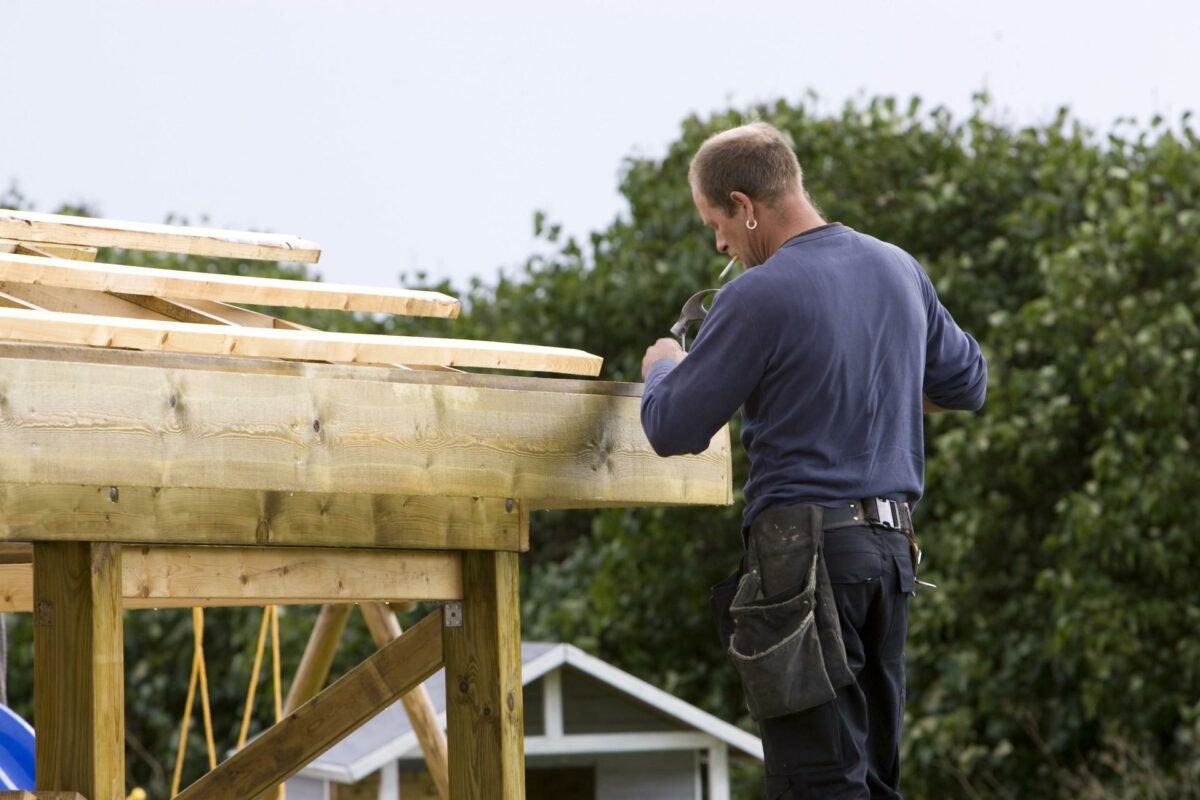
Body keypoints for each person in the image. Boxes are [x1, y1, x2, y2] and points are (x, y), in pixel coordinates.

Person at [640, 121, 987, 799]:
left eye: (716, 222)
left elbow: (672, 427)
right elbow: (964, 386)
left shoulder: (756, 295)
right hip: (889, 555)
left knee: (819, 784)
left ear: (745, 206)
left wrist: (663, 369)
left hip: (803, 561)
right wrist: (869, 372)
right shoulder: (898, 268)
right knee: (873, 781)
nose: (720, 243)